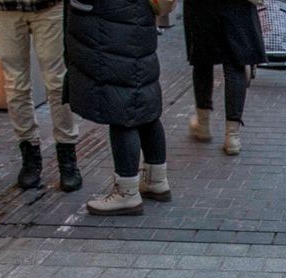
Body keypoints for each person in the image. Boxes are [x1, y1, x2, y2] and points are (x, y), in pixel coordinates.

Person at [65, 0, 170, 216]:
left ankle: (127, 193)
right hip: (140, 14)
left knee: (120, 107)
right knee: (142, 98)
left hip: (108, 20)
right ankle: (156, 180)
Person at [0, 0, 81, 192]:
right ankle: (29, 155)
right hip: (1, 7)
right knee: (15, 83)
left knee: (58, 82)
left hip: (49, 5)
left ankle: (67, 155)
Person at [185, 0, 266, 155]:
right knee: (235, 64)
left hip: (201, 6)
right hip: (237, 5)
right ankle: (232, 136)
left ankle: (203, 124)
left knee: (202, 60)